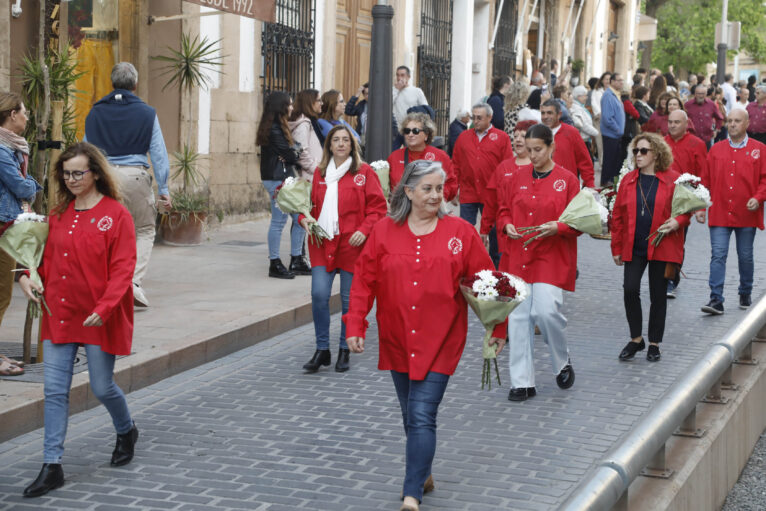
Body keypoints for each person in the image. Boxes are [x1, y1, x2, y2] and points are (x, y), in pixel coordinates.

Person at [344, 160, 506, 511]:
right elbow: (364, 280)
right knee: (409, 415)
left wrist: (499, 327)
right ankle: (423, 472)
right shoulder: (385, 231)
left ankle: (411, 493)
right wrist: (355, 323)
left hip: (442, 340)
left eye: (440, 188)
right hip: (397, 337)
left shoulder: (461, 233)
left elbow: (487, 281)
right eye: (428, 189)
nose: (437, 195)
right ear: (409, 192)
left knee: (421, 414)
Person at [19, 142, 138, 498]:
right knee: (54, 391)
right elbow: (37, 258)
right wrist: (26, 275)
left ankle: (126, 428)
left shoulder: (117, 215)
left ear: (96, 173)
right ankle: (51, 465)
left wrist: (103, 309)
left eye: (78, 173)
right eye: (66, 173)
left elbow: (122, 270)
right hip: (59, 313)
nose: (71, 179)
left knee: (102, 387)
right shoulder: (56, 215)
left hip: (98, 316)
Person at [497, 124, 579, 401]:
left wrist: (560, 227)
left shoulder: (567, 180)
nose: (532, 155)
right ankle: (522, 382)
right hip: (518, 255)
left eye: (538, 150)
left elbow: (579, 221)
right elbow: (504, 209)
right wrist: (506, 224)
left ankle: (561, 360)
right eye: (528, 150)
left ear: (551, 146)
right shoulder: (516, 176)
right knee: (518, 318)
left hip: (551, 256)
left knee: (546, 312)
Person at [299, 125, 386, 374]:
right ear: (329, 145)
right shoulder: (319, 172)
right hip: (322, 242)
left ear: (352, 144)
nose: (340, 144)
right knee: (319, 295)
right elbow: (307, 205)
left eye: (345, 140)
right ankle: (322, 349)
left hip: (352, 244)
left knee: (349, 300)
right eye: (335, 140)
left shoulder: (364, 172)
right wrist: (302, 219)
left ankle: (344, 349)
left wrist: (365, 229)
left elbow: (378, 208)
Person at [83, 62, 170, 308]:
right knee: (143, 230)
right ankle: (132, 283)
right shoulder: (147, 113)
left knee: (105, 231)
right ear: (135, 84)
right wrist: (164, 190)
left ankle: (105, 284)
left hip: (104, 177)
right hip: (135, 177)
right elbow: (159, 155)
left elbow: (85, 148)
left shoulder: (95, 112)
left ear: (112, 83)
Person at [611, 133, 689, 363]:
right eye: (636, 151)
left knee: (658, 295)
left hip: (662, 246)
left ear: (656, 154)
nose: (638, 155)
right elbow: (617, 216)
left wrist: (678, 221)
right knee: (630, 289)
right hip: (634, 245)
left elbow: (686, 210)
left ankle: (654, 343)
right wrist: (615, 247)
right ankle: (636, 338)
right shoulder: (627, 180)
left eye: (644, 151)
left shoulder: (673, 179)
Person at [699, 108, 766, 314]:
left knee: (745, 255)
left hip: (746, 214)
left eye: (737, 121)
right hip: (719, 212)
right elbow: (705, 181)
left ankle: (745, 290)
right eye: (730, 121)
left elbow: (764, 179)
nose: (733, 124)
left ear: (747, 124)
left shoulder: (760, 149)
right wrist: (701, 207)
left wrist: (758, 197)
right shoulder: (716, 150)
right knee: (718, 254)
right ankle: (715, 299)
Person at [0, 91, 42, 377]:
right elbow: (22, 187)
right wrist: (35, 185)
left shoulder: (11, 147)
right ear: (12, 114)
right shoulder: (2, 149)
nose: (27, 117)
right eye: (24, 112)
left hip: (7, 225)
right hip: (2, 227)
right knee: (2, 295)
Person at [256, 91, 309, 279]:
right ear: (281, 107)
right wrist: (294, 151)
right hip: (277, 179)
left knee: (299, 218)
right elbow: (291, 154)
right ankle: (275, 263)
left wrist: (294, 150)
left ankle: (296, 259)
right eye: (290, 104)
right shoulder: (275, 129)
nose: (292, 108)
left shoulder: (279, 127)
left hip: (284, 177)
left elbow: (294, 151)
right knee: (279, 221)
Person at [452, 102, 513, 266]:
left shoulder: (501, 137)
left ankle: (496, 267)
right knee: (465, 230)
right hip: (468, 192)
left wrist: (505, 192)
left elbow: (507, 166)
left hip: (491, 195)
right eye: (474, 117)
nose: (475, 121)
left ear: (489, 117)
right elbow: (455, 164)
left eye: (479, 118)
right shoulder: (463, 137)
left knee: (493, 232)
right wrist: (453, 189)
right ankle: (466, 264)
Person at [664, 110, 708, 298]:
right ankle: (662, 277)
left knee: (676, 241)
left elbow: (702, 175)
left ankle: (670, 279)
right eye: (670, 122)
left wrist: (700, 206)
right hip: (662, 199)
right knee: (662, 238)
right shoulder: (661, 142)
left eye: (676, 122)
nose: (672, 125)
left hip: (684, 202)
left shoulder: (697, 144)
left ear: (685, 124)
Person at [480, 119, 536, 258]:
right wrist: (484, 229)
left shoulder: (539, 167)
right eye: (515, 136)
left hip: (530, 233)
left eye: (523, 136)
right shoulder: (503, 167)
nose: (517, 140)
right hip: (503, 232)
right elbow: (491, 200)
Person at [387, 113, 457, 201]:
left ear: (426, 135)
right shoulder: (394, 157)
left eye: (415, 131)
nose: (410, 134)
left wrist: (436, 197)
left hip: (430, 210)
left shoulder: (440, 156)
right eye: (407, 131)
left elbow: (451, 184)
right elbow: (387, 187)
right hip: (401, 211)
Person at [540, 99, 595, 188]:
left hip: (567, 187)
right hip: (543, 187)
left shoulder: (571, 133)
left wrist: (589, 184)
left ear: (559, 115)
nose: (546, 116)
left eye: (550, 113)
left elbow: (584, 160)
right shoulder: (537, 133)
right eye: (543, 113)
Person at [288, 89, 324, 182]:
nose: (322, 103)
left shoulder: (311, 121)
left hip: (313, 174)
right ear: (310, 102)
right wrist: (315, 168)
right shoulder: (303, 125)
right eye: (319, 100)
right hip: (309, 176)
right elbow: (299, 152)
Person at [600, 73, 626, 185]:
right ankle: (606, 182)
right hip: (611, 134)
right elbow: (607, 117)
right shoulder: (608, 95)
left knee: (615, 160)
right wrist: (618, 129)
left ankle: (611, 181)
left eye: (622, 80)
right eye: (619, 80)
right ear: (612, 81)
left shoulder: (615, 94)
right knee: (609, 160)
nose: (621, 82)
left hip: (615, 134)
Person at [685, 84, 724, 149]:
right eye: (698, 93)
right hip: (692, 140)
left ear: (706, 94)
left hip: (707, 140)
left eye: (702, 94)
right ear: (695, 94)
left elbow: (720, 118)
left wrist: (716, 130)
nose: (700, 96)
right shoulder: (687, 105)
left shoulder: (711, 104)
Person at [393, 66, 429, 130]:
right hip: (396, 129)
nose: (399, 78)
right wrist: (396, 89)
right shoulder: (393, 90)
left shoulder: (417, 91)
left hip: (412, 129)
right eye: (397, 75)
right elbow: (386, 106)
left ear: (408, 77)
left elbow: (425, 108)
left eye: (402, 75)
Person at [570, 85, 599, 154]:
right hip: (582, 140)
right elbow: (582, 124)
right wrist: (597, 133)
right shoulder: (576, 108)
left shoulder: (580, 106)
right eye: (585, 96)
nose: (586, 98)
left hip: (585, 139)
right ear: (578, 96)